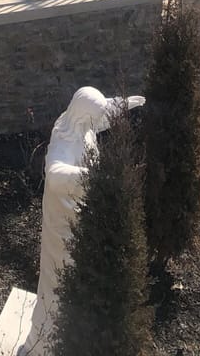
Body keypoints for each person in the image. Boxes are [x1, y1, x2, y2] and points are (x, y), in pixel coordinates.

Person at [19, 87, 145, 356]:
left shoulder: (82, 126)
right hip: (62, 226)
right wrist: (92, 178)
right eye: (91, 119)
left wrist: (122, 105)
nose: (96, 124)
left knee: (80, 280)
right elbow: (54, 174)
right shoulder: (64, 139)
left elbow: (99, 114)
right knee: (58, 283)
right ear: (80, 116)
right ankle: (42, 345)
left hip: (82, 217)